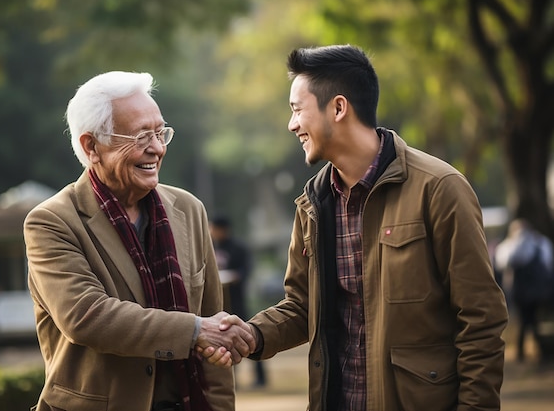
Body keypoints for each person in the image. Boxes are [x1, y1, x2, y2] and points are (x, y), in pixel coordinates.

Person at [208, 45, 509, 411]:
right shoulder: (313, 203)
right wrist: (251, 334)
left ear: (337, 107)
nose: (292, 125)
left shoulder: (439, 188)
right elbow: (303, 306)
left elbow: (481, 319)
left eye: (297, 110)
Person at [23, 71, 255, 411]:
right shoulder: (52, 221)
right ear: (92, 147)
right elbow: (87, 316)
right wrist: (193, 331)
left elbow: (213, 326)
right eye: (140, 136)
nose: (158, 148)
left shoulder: (189, 210)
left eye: (161, 133)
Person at [209, 215, 267, 388]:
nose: (213, 232)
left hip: (237, 300)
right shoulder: (210, 246)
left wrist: (235, 275)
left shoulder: (238, 248)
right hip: (218, 302)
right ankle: (232, 380)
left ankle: (260, 378)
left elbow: (246, 270)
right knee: (224, 341)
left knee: (249, 337)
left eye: (215, 228)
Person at [495, 218, 554, 363]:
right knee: (530, 320)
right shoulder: (539, 244)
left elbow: (501, 262)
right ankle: (536, 351)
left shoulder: (513, 246)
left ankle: (527, 352)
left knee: (527, 320)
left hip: (522, 291)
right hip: (531, 290)